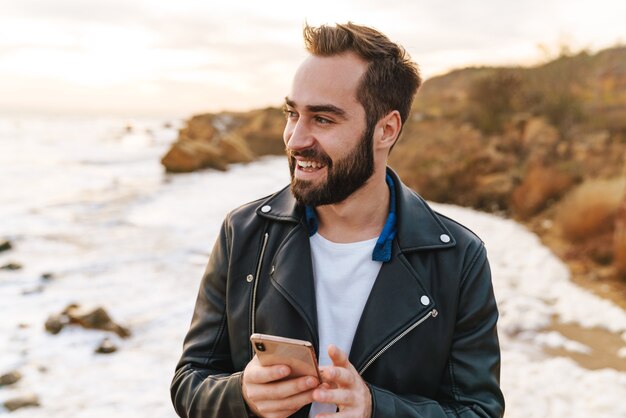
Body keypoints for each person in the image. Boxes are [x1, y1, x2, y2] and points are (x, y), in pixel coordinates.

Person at [171, 22, 505, 418]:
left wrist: (375, 409)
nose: (295, 139)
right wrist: (240, 395)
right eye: (292, 114)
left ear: (386, 130)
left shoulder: (458, 259)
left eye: (323, 119)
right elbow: (189, 382)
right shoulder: (243, 233)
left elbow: (478, 411)